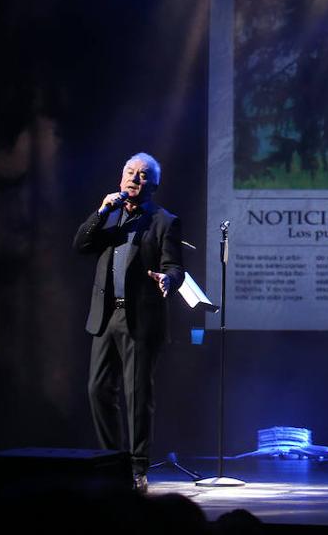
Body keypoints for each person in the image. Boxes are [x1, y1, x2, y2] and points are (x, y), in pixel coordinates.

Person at [73, 152, 184, 492]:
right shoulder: (111, 215)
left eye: (142, 174)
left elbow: (174, 266)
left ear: (154, 183)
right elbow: (80, 245)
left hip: (140, 318)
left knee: (137, 394)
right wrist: (102, 210)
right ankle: (111, 461)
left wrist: (168, 280)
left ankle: (137, 469)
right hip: (106, 315)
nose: (134, 178)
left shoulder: (164, 221)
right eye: (129, 171)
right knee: (97, 389)